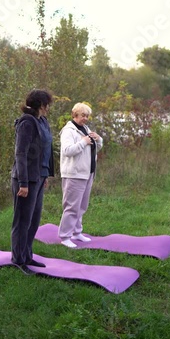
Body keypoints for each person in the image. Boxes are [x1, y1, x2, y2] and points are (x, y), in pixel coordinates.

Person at [11, 89, 54, 274]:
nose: (48, 108)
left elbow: (45, 150)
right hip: (25, 179)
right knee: (22, 221)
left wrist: (45, 175)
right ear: (40, 104)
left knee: (34, 220)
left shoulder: (42, 121)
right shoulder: (26, 122)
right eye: (47, 104)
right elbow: (20, 153)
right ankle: (18, 260)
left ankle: (27, 255)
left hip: (38, 177)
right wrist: (23, 183)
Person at [58, 102, 103, 248]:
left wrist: (98, 140)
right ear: (74, 115)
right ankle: (65, 236)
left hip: (87, 172)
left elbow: (95, 149)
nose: (86, 118)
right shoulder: (68, 131)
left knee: (82, 206)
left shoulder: (85, 128)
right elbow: (67, 151)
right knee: (71, 206)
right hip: (73, 174)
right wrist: (83, 142)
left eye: (87, 116)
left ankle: (77, 232)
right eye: (83, 115)